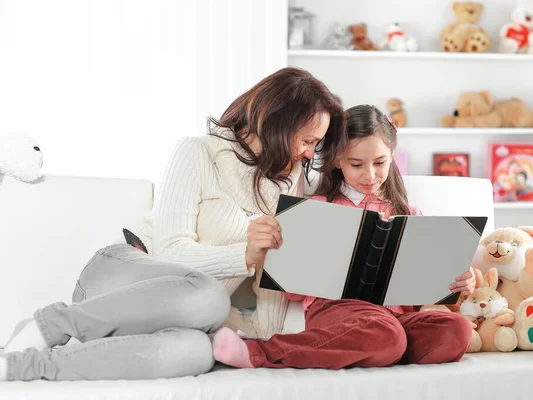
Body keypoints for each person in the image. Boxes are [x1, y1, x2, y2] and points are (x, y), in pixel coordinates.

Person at [0, 67, 346, 381]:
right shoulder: (197, 152)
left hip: (187, 314)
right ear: (275, 123)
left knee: (196, 352)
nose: (307, 154)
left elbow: (268, 310)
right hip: (122, 278)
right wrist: (245, 257)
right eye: (307, 140)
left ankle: (22, 366)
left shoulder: (290, 187)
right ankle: (50, 324)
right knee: (210, 297)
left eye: (315, 145)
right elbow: (169, 252)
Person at [211, 105, 476, 370]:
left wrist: (460, 282)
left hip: (393, 317)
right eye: (356, 164)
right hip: (335, 310)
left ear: (392, 155)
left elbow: (426, 288)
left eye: (380, 163)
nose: (370, 175)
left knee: (456, 331)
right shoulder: (317, 208)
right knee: (386, 334)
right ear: (337, 160)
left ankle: (378, 348)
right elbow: (291, 290)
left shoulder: (408, 214)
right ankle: (258, 352)